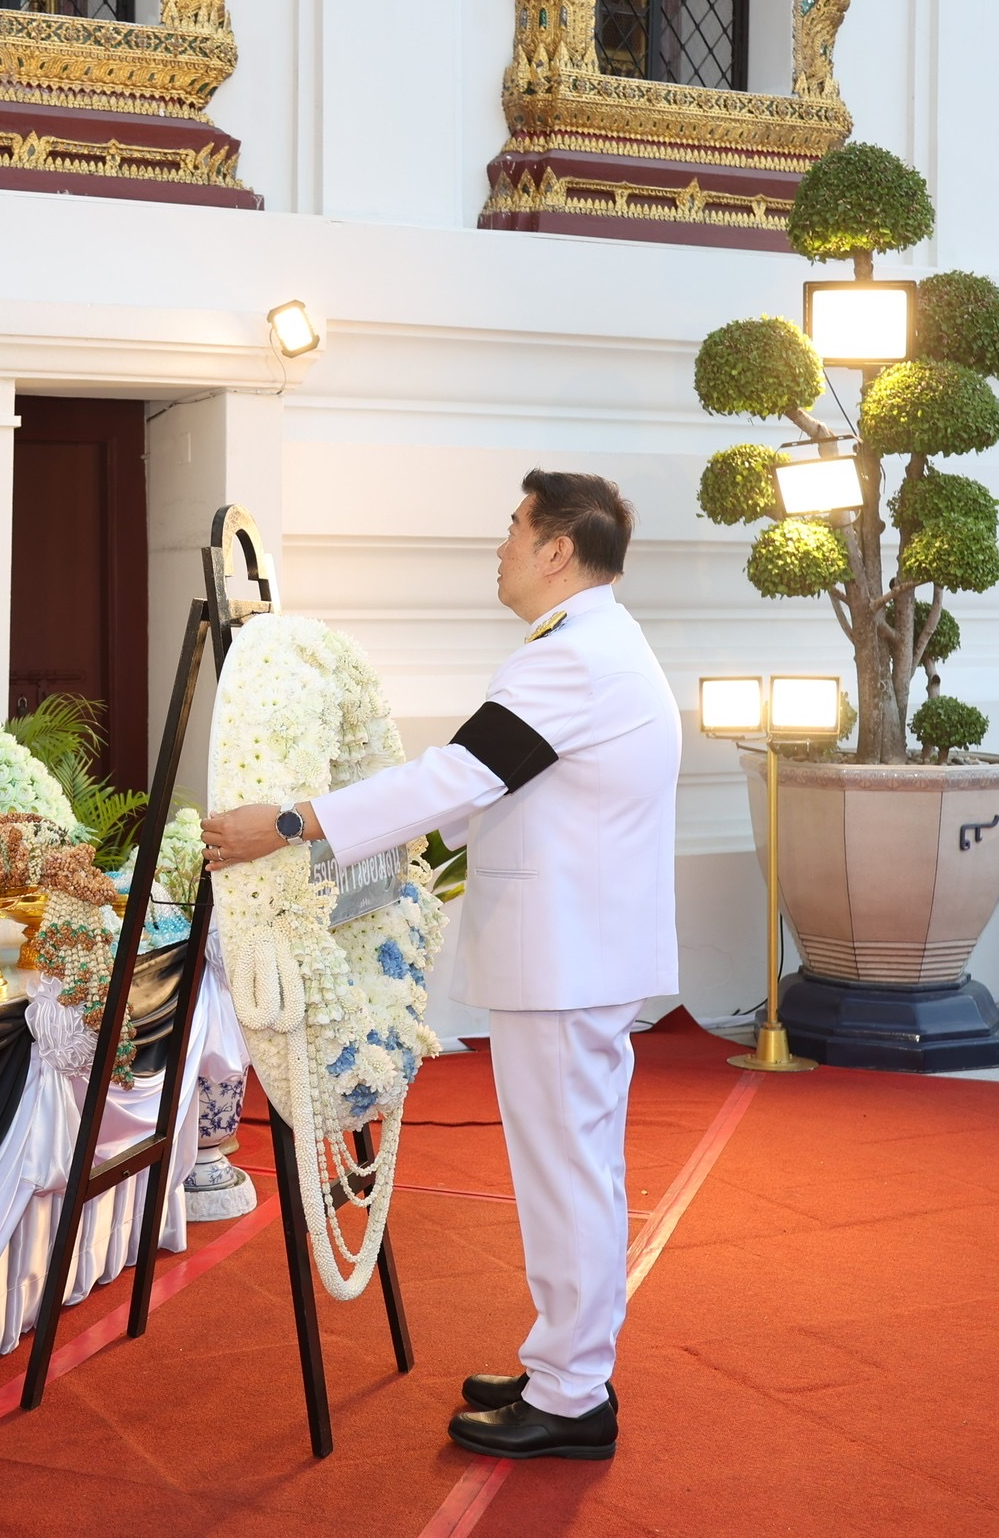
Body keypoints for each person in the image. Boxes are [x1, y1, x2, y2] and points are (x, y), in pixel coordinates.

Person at [200, 470, 679, 1462]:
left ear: (557, 547)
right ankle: (565, 1367)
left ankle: (573, 1392)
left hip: (570, 957)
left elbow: (463, 774)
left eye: (512, 528)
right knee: (575, 1164)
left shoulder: (574, 659)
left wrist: (290, 822)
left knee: (567, 1172)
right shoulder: (590, 645)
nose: (500, 545)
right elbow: (474, 782)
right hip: (580, 951)